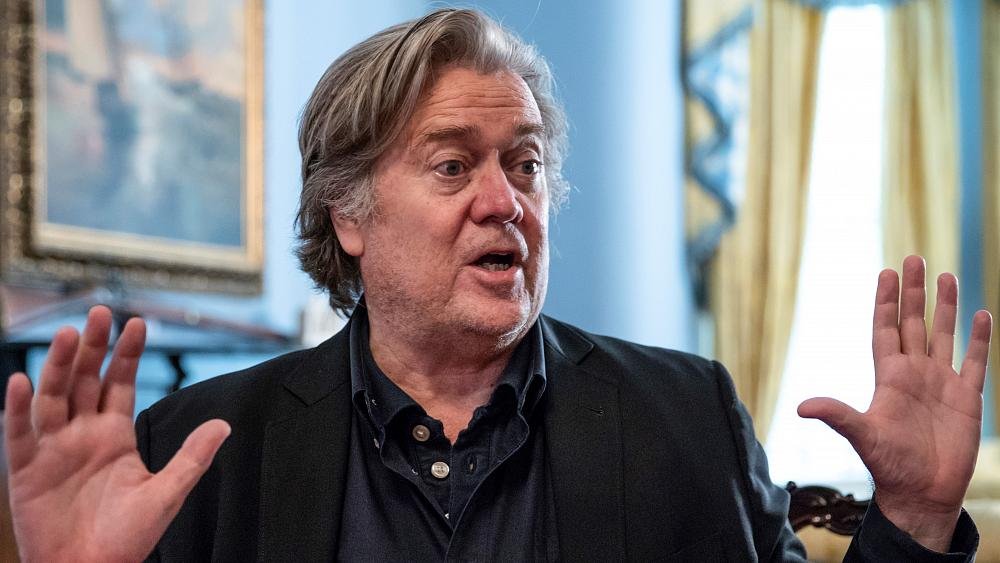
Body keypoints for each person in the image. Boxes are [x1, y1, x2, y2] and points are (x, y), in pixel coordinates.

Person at [3, 9, 992, 561]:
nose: (504, 200)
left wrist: (911, 518)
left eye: (524, 164)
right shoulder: (201, 448)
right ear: (349, 215)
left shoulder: (686, 418)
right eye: (452, 166)